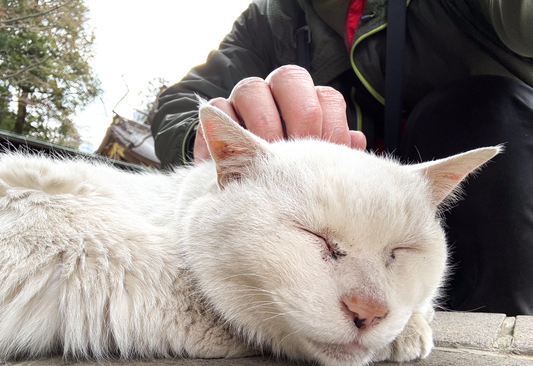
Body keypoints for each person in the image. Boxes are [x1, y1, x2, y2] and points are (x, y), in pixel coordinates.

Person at [151, 0, 533, 316]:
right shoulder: (269, 19)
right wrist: (217, 142)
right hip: (331, 265)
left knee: (484, 109)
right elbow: (179, 104)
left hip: (487, 221)